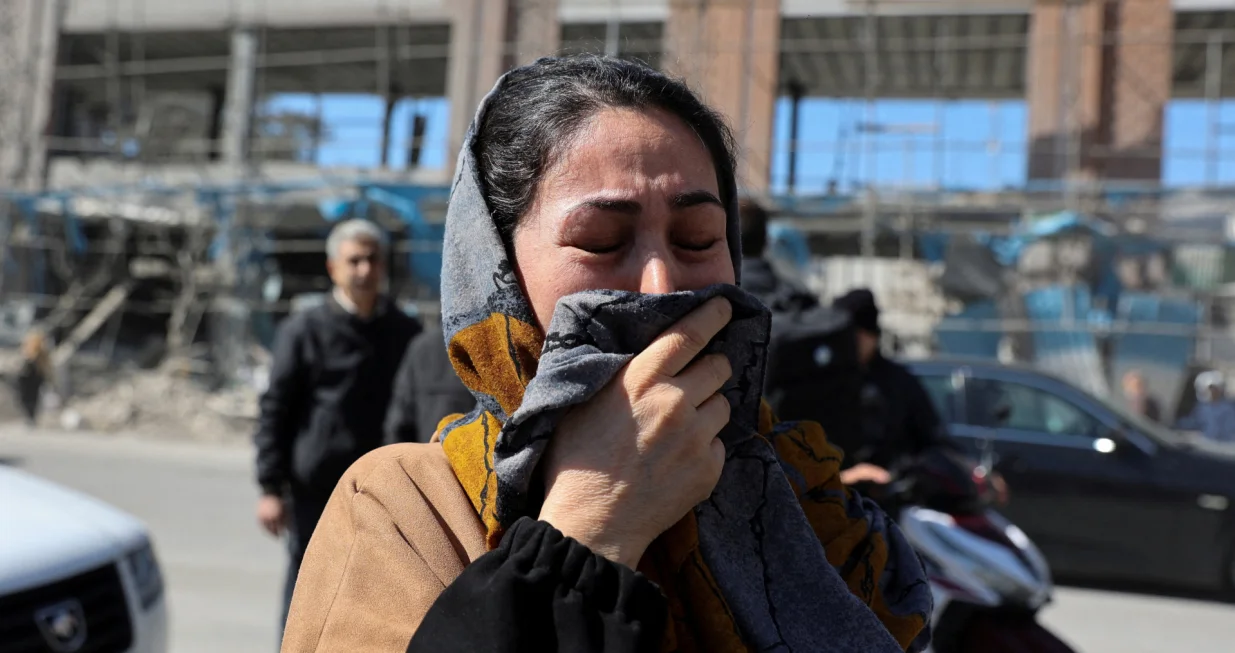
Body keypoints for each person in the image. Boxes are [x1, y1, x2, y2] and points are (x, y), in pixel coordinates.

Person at [282, 56, 930, 653]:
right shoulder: (409, 507)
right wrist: (588, 529)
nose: (661, 287)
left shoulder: (811, 504)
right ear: (496, 270)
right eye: (599, 241)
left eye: (697, 239)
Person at [252, 218, 421, 633]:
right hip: (316, 488)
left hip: (384, 489)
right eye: (354, 260)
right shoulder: (304, 331)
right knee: (310, 590)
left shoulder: (406, 333)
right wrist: (270, 487)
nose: (365, 269)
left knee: (376, 594)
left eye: (373, 260)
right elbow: (275, 409)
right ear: (333, 268)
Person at [831, 288, 950, 486]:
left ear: (872, 336)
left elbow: (932, 439)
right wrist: (845, 477)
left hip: (890, 493)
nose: (852, 345)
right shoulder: (821, 383)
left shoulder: (899, 382)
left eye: (859, 336)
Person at [383, 320, 476, 444]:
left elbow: (399, 422)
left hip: (426, 449)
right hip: (475, 451)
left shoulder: (420, 346)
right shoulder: (491, 346)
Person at [1176, 371, 1235, 443]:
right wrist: (1179, 425)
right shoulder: (1202, 407)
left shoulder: (1228, 409)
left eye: (1213, 389)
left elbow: (1224, 432)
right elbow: (1193, 422)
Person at [14, 331, 51, 427]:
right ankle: (30, 418)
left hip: (34, 380)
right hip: (27, 380)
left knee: (32, 400)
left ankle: (31, 418)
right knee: (26, 399)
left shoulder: (40, 353)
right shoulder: (28, 352)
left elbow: (43, 368)